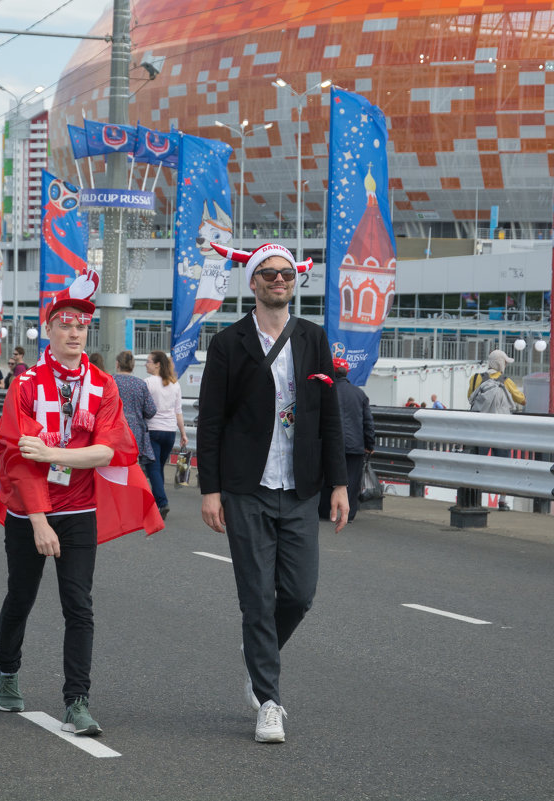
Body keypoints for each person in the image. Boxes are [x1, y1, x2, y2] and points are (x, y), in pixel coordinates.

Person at [0, 271, 162, 737]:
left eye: (81, 326)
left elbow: (109, 451)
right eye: (66, 324)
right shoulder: (27, 384)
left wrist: (53, 453)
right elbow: (18, 457)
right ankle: (8, 670)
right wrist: (37, 521)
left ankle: (77, 700)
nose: (75, 332)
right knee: (22, 597)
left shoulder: (103, 385)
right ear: (49, 329)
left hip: (79, 508)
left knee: (79, 604)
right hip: (28, 511)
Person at [198, 241, 348, 745]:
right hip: (246, 488)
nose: (278, 280)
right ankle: (269, 701)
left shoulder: (312, 338)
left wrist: (340, 483)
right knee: (257, 598)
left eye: (285, 273)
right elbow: (211, 423)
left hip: (301, 485)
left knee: (300, 594)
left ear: (294, 281)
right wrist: (210, 490)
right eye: (268, 274)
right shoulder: (228, 343)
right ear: (253, 283)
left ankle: (258, 657)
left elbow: (328, 415)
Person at [318, 358, 374, 522]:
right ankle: (347, 514)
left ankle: (325, 511)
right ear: (347, 372)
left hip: (329, 444)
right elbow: (368, 422)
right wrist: (369, 444)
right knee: (352, 480)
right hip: (354, 445)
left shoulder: (324, 390)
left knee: (326, 477)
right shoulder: (359, 393)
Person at [468, 348, 525, 510]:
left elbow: (470, 397)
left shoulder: (475, 378)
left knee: (477, 464)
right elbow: (521, 399)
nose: (506, 365)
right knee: (502, 465)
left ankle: (474, 497)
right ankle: (502, 500)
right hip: (500, 430)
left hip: (479, 428)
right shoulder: (506, 381)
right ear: (500, 363)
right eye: (505, 362)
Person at [144, 350, 189, 520]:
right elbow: (178, 411)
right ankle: (158, 504)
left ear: (157, 364)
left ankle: (162, 502)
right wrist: (183, 433)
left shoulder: (147, 383)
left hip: (153, 430)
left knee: (153, 468)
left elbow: (144, 408)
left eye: (148, 361)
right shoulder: (174, 383)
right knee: (159, 468)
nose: (146, 364)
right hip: (170, 431)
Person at [112, 350, 157, 471]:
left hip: (113, 429)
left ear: (117, 364)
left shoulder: (110, 381)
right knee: (132, 467)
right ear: (132, 365)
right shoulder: (140, 384)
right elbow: (151, 410)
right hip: (135, 432)